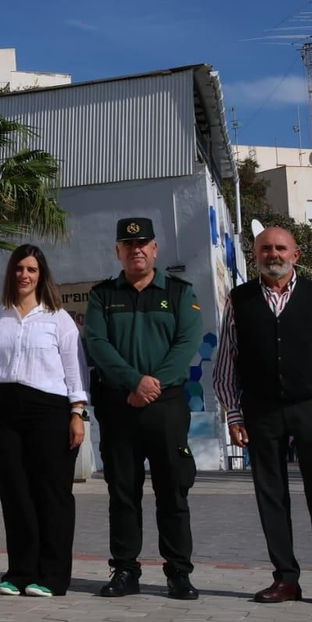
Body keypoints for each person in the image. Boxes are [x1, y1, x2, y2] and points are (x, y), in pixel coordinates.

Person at [213, 226, 312, 607]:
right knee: (271, 496)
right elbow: (226, 364)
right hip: (261, 409)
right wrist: (234, 413)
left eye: (280, 248)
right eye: (265, 249)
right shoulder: (238, 300)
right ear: (255, 255)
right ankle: (286, 579)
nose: (272, 254)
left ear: (296, 255)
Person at [84, 216, 204, 600]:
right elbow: (98, 345)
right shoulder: (102, 296)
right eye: (128, 245)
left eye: (143, 244)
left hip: (166, 405)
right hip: (119, 405)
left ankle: (178, 572)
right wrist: (133, 382)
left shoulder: (180, 293)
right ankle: (125, 570)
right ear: (118, 252)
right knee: (122, 491)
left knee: (173, 490)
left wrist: (151, 385)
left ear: (154, 249)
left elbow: (187, 344)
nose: (136, 250)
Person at [0, 244, 89, 597]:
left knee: (51, 493)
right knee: (15, 493)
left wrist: (77, 413)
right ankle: (20, 571)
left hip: (50, 411)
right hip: (4, 411)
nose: (24, 275)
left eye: (32, 270)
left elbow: (75, 370)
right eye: (19, 269)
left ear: (41, 276)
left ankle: (52, 575)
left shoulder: (58, 319)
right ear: (11, 274)